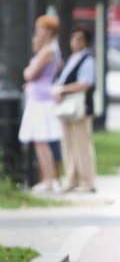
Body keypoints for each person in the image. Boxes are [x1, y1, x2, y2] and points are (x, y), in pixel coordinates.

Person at [18, 15, 63, 193]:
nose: (38, 33)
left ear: (49, 30)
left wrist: (27, 70)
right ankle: (48, 179)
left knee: (41, 142)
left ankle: (48, 180)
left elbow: (30, 74)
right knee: (40, 142)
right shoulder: (51, 49)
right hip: (40, 97)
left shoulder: (48, 50)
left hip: (41, 101)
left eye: (40, 29)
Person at [52, 24, 97, 193]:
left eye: (79, 38)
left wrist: (62, 89)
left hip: (80, 107)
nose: (75, 41)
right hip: (68, 107)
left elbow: (85, 84)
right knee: (68, 145)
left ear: (86, 41)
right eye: (73, 37)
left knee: (82, 145)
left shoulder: (87, 59)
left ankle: (87, 181)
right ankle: (71, 178)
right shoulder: (73, 58)